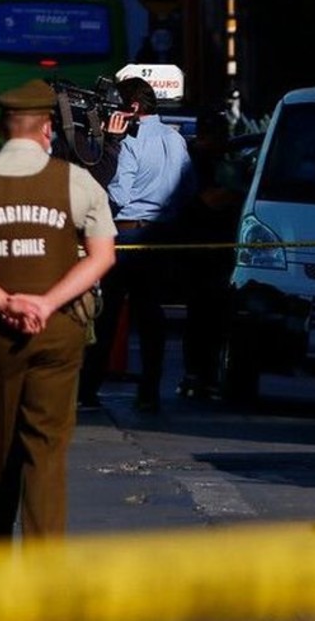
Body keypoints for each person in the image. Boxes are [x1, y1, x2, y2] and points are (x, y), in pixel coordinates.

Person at [0, 79, 117, 541]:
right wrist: (46, 302)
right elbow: (102, 257)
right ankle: (44, 563)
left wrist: (6, 302)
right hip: (59, 331)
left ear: (1, 127)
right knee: (47, 446)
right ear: (47, 129)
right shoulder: (77, 181)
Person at [77, 76, 194, 413]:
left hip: (126, 234)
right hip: (163, 236)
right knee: (150, 316)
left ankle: (89, 389)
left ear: (132, 108)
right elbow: (187, 190)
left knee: (108, 315)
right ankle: (150, 390)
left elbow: (119, 194)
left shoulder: (129, 141)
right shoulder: (175, 139)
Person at [176, 110, 244, 400]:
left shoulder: (218, 159)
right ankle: (196, 374)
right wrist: (238, 190)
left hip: (219, 250)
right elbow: (210, 199)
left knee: (214, 317)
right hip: (199, 249)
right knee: (200, 316)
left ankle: (206, 374)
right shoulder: (195, 160)